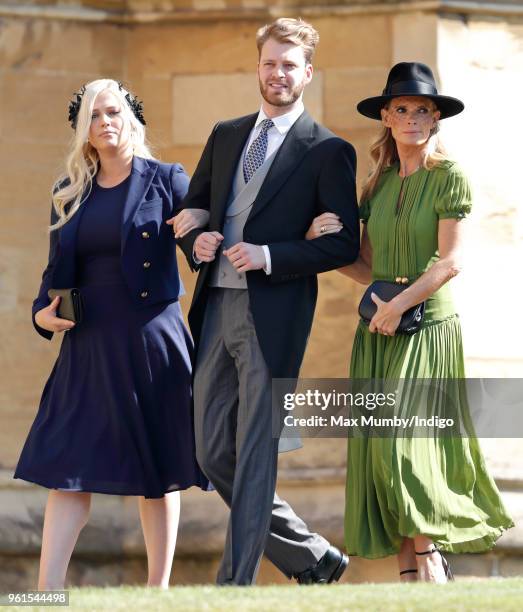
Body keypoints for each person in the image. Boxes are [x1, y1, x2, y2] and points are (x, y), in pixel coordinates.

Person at [306, 62, 514, 583]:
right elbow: (369, 269)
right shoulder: (376, 183)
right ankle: (411, 584)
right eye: (403, 109)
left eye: (424, 109)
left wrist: (399, 306)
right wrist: (320, 247)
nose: (414, 118)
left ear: (436, 118)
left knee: (406, 447)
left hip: (427, 332)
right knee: (381, 455)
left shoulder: (449, 176)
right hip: (379, 331)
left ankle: (430, 564)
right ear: (386, 116)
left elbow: (451, 262)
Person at [172, 18, 360, 585]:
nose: (278, 73)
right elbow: (195, 208)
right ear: (258, 66)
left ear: (307, 73)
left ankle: (234, 585)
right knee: (210, 451)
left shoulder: (328, 151)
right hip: (216, 310)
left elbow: (343, 243)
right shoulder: (226, 134)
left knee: (256, 451)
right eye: (270, 62)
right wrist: (195, 240)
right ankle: (313, 558)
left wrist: (272, 254)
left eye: (289, 65)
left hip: (272, 317)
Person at [14, 79, 210, 590]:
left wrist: (207, 239)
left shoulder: (166, 179)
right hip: (90, 341)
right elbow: (55, 272)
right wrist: (41, 313)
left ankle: (158, 591)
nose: (106, 122)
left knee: (160, 464)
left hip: (152, 339)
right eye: (95, 115)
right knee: (68, 461)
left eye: (115, 112)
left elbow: (197, 240)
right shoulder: (69, 192)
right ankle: (45, 593)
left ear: (132, 120)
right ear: (85, 130)